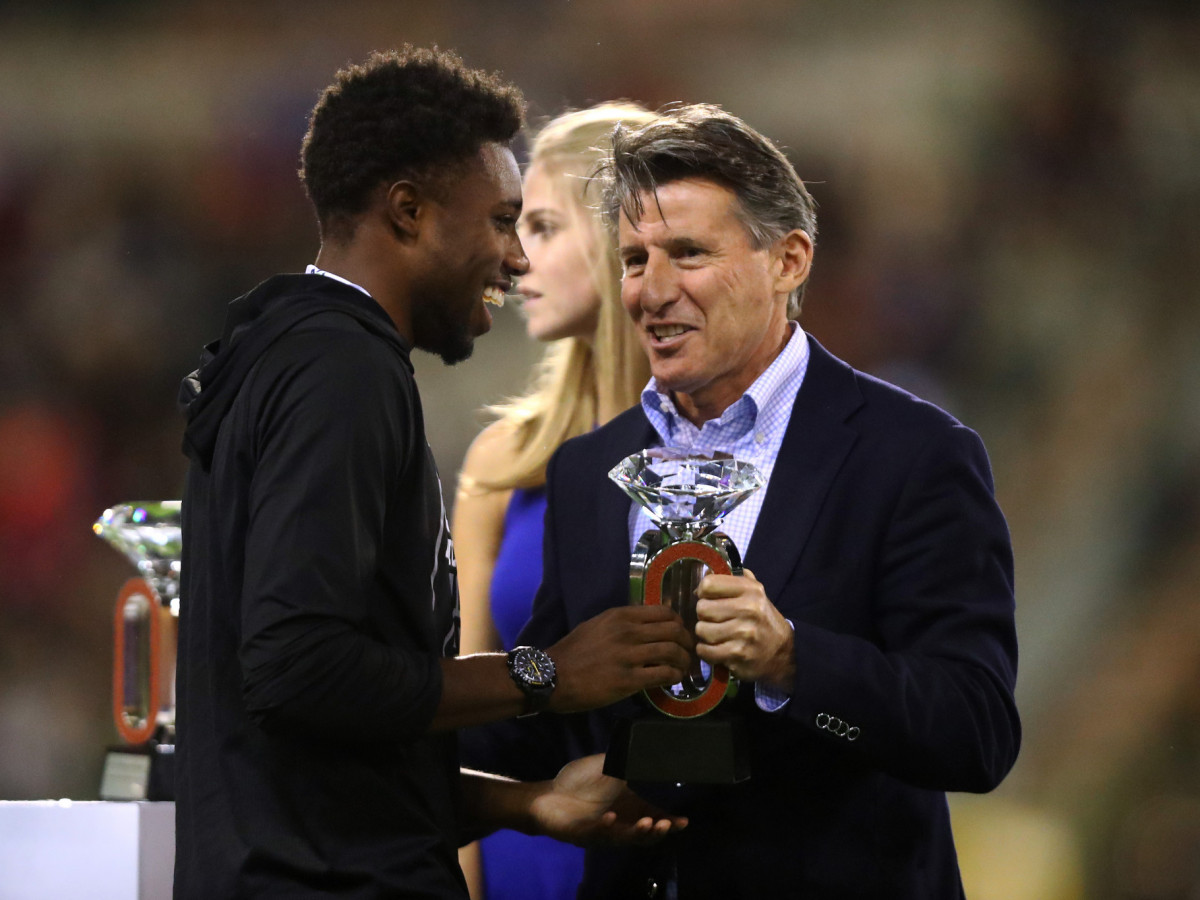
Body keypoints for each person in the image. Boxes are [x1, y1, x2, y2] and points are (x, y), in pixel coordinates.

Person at [459, 104, 1021, 898]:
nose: (652, 291)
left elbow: (976, 734)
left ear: (788, 260)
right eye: (632, 259)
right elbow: (541, 727)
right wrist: (392, 701)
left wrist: (794, 660)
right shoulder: (590, 469)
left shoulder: (914, 455)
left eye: (687, 253)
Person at [173, 48, 694, 899]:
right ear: (409, 212)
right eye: (499, 222)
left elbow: (329, 756)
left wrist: (526, 803)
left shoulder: (290, 352)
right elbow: (298, 669)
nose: (515, 259)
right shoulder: (340, 370)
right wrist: (547, 674)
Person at [453, 102, 659, 900]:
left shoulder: (717, 458)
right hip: (519, 852)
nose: (510, 258)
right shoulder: (503, 462)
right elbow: (462, 712)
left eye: (540, 227)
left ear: (619, 242)